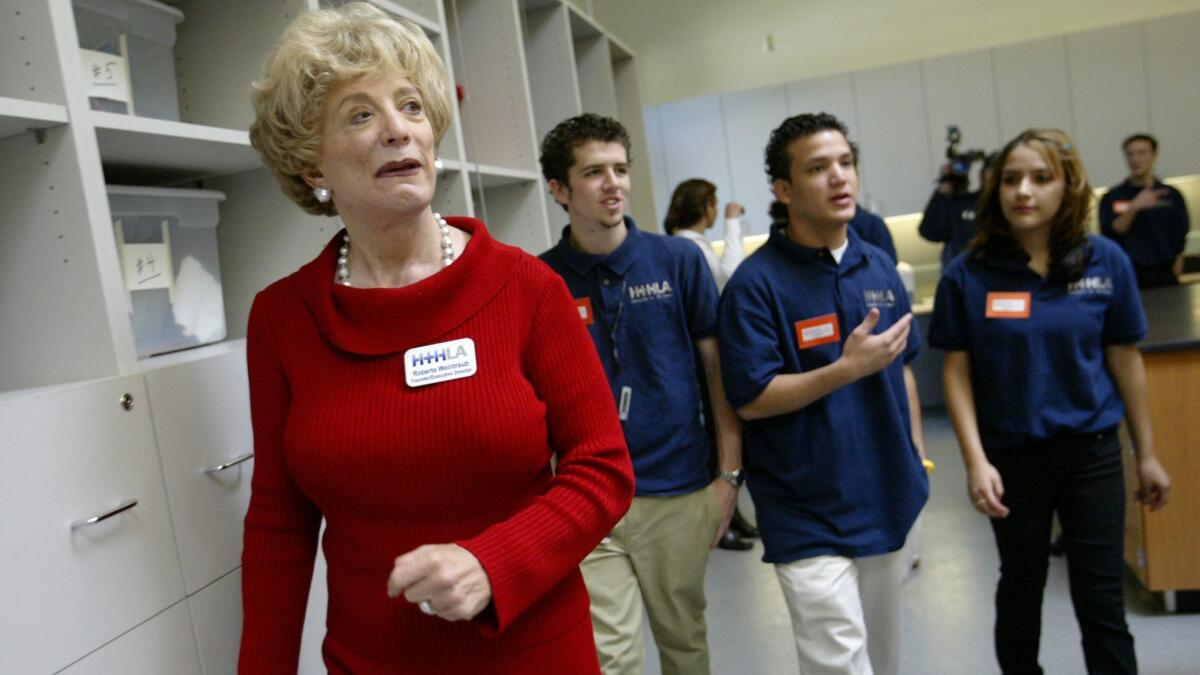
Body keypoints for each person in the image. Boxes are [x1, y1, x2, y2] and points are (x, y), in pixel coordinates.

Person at [238, 5, 634, 673]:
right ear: (312, 165)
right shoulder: (281, 319)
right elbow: (280, 520)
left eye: (411, 107)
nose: (398, 129)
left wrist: (492, 560)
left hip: (530, 652)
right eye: (361, 115)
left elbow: (603, 469)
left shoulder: (525, 287)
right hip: (372, 659)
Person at [928, 128, 1171, 675]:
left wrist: (1147, 453)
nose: (1024, 191)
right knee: (1020, 586)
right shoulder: (967, 274)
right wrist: (975, 461)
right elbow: (957, 370)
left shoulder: (1105, 260)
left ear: (1068, 187)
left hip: (1092, 455)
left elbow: (1125, 359)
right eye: (1011, 179)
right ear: (995, 190)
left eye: (1041, 178)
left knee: (1101, 601)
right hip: (1011, 457)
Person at [719, 112, 929, 675]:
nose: (840, 178)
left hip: (887, 492)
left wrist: (915, 457)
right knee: (837, 663)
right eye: (818, 168)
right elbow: (752, 396)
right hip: (805, 508)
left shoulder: (877, 265)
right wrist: (843, 369)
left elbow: (903, 370)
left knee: (884, 659)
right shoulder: (755, 286)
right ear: (783, 190)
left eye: (846, 163)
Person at [539, 114, 743, 675]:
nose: (614, 184)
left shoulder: (678, 262)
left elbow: (717, 374)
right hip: (586, 494)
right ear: (559, 189)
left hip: (677, 489)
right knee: (611, 658)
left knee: (684, 644)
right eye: (594, 172)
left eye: (621, 169)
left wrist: (727, 478)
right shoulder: (542, 282)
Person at [663, 178, 759, 551]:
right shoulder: (687, 247)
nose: (717, 210)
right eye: (714, 204)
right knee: (716, 440)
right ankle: (723, 518)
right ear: (704, 206)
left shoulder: (692, 245)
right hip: (700, 358)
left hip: (708, 353)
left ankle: (733, 515)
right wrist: (734, 223)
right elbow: (731, 277)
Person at [1099, 133, 1191, 287]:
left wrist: (1178, 262)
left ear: (1154, 155)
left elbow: (1180, 233)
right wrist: (1135, 206)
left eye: (1141, 153)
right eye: (1130, 154)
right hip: (1128, 274)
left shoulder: (1171, 195)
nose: (1135, 159)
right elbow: (1112, 232)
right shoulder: (1112, 197)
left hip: (1165, 272)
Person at [918, 157, 994, 271]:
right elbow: (930, 232)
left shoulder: (1011, 208)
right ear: (982, 175)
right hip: (964, 278)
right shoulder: (961, 203)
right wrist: (945, 187)